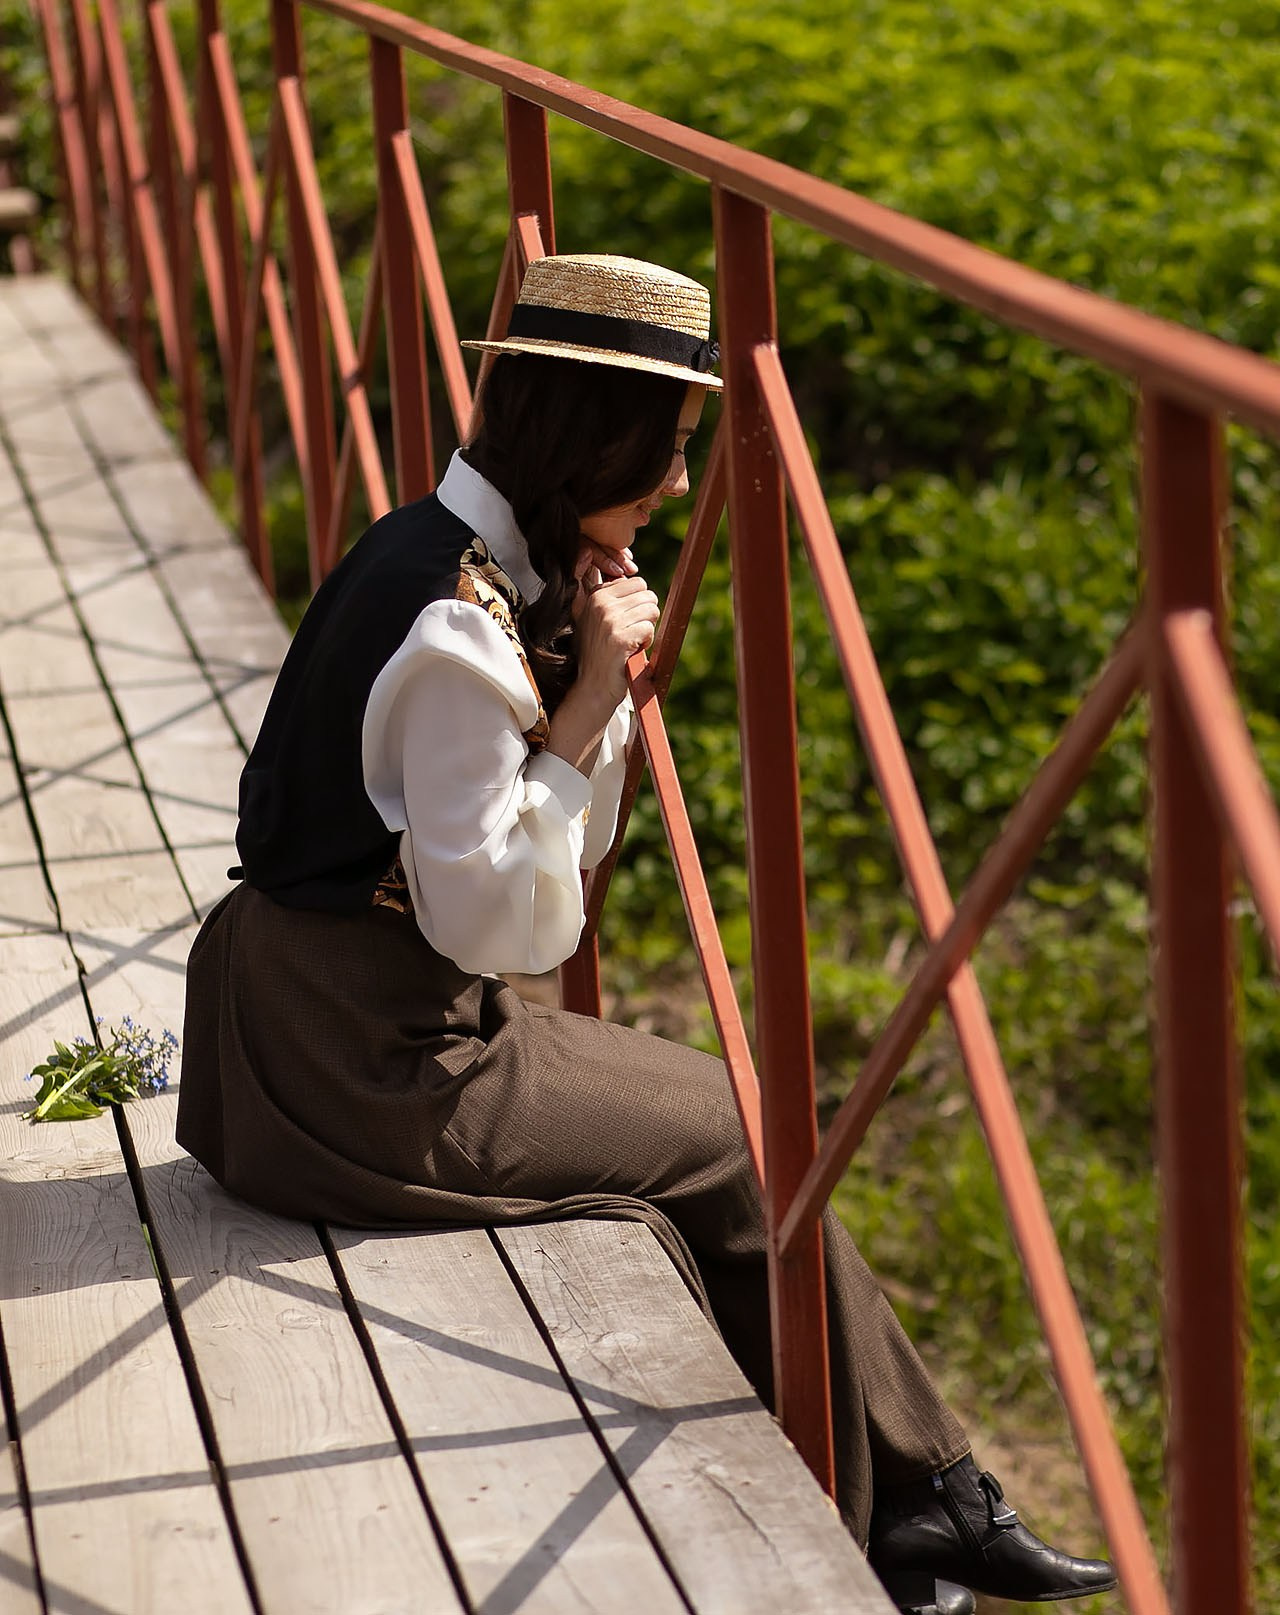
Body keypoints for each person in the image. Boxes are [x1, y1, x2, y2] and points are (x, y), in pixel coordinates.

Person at [178, 253, 1116, 1615]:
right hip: (357, 1067)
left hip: (326, 1019)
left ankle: (917, 1501)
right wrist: (585, 709)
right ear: (590, 435)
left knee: (723, 1133)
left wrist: (584, 692)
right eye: (666, 449)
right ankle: (918, 1507)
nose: (678, 484)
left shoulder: (456, 556)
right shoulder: (454, 621)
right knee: (747, 1129)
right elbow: (506, 923)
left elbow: (513, 885)